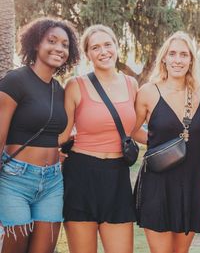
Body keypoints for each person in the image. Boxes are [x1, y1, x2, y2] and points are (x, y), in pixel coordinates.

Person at [60, 24, 145, 253]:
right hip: (80, 175)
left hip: (117, 176)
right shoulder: (75, 86)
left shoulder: (132, 84)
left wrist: (174, 140)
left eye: (108, 45)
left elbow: (135, 130)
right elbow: (62, 136)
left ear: (117, 47)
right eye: (95, 47)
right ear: (87, 54)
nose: (103, 51)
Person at [0, 17, 79, 253]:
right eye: (52, 41)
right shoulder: (15, 81)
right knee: (15, 245)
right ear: (36, 44)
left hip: (52, 183)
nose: (59, 48)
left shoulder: (60, 90)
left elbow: (56, 134)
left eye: (65, 45)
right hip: (15, 179)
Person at [133, 31, 200, 253]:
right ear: (163, 58)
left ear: (191, 60)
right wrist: (161, 146)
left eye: (184, 54)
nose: (177, 59)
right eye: (172, 53)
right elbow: (132, 130)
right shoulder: (148, 91)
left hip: (191, 183)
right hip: (158, 183)